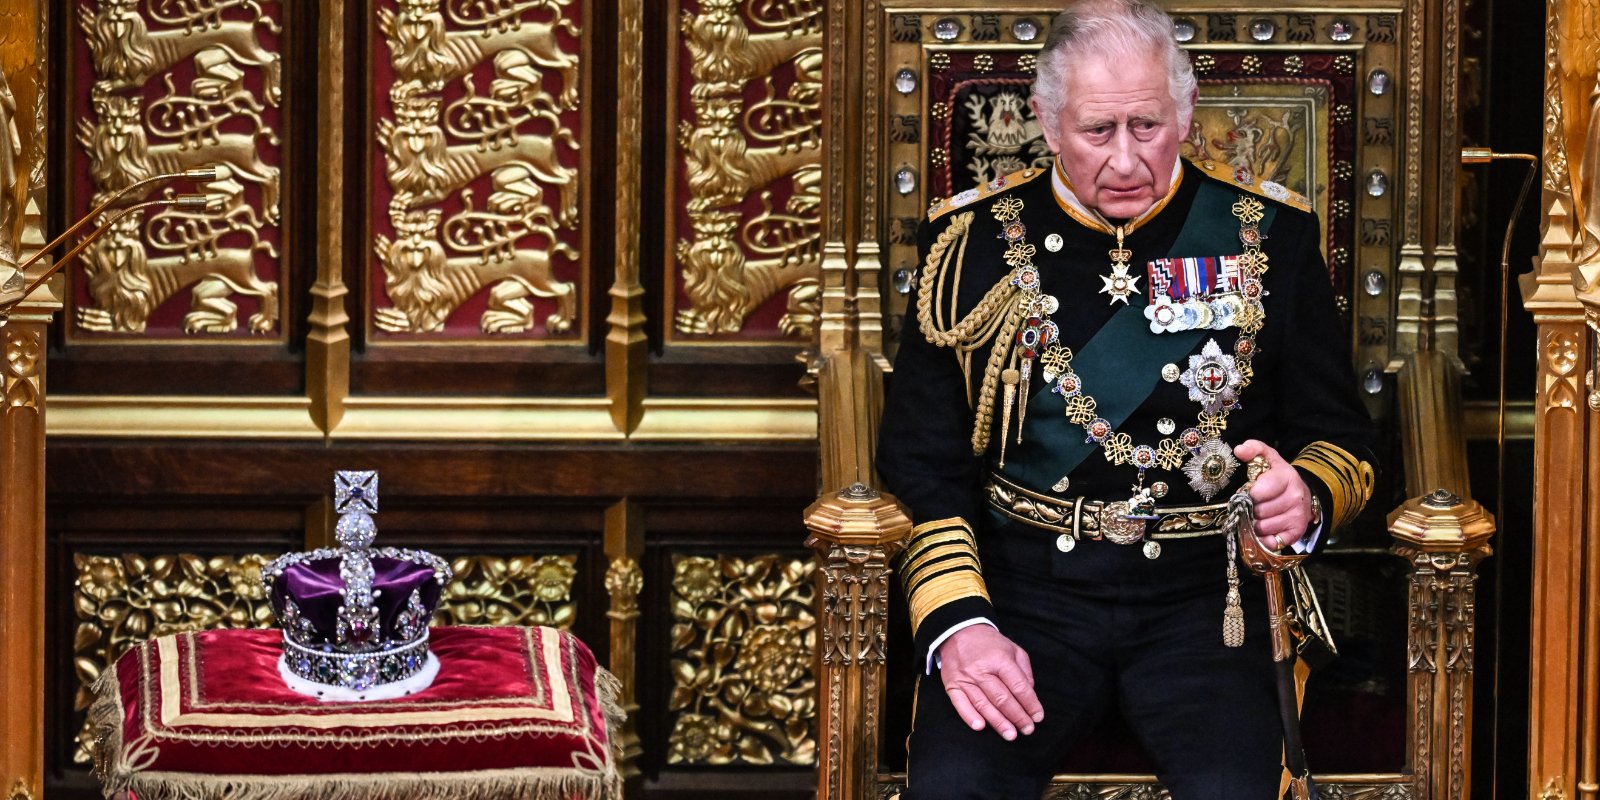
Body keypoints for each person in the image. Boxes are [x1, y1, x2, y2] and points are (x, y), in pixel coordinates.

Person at [876, 1, 1378, 797]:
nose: (1122, 161)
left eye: (1146, 127)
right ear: (1044, 120)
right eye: (1095, 131)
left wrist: (1305, 497)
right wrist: (960, 624)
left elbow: (1341, 438)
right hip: (1024, 594)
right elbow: (920, 460)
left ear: (1185, 115)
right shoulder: (970, 246)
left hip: (1210, 601)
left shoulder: (1267, 237)